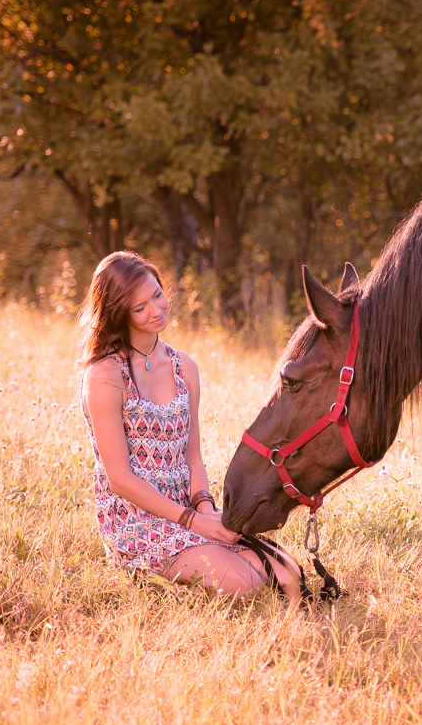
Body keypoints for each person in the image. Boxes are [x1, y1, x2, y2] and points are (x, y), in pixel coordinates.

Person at [78, 251, 300, 599]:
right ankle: (161, 587)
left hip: (189, 509)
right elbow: (119, 479)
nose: (156, 309)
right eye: (139, 308)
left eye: (157, 294)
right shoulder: (105, 377)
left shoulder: (185, 367)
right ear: (119, 314)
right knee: (248, 584)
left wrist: (208, 513)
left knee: (289, 574)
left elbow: (192, 456)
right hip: (137, 521)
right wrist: (191, 522)